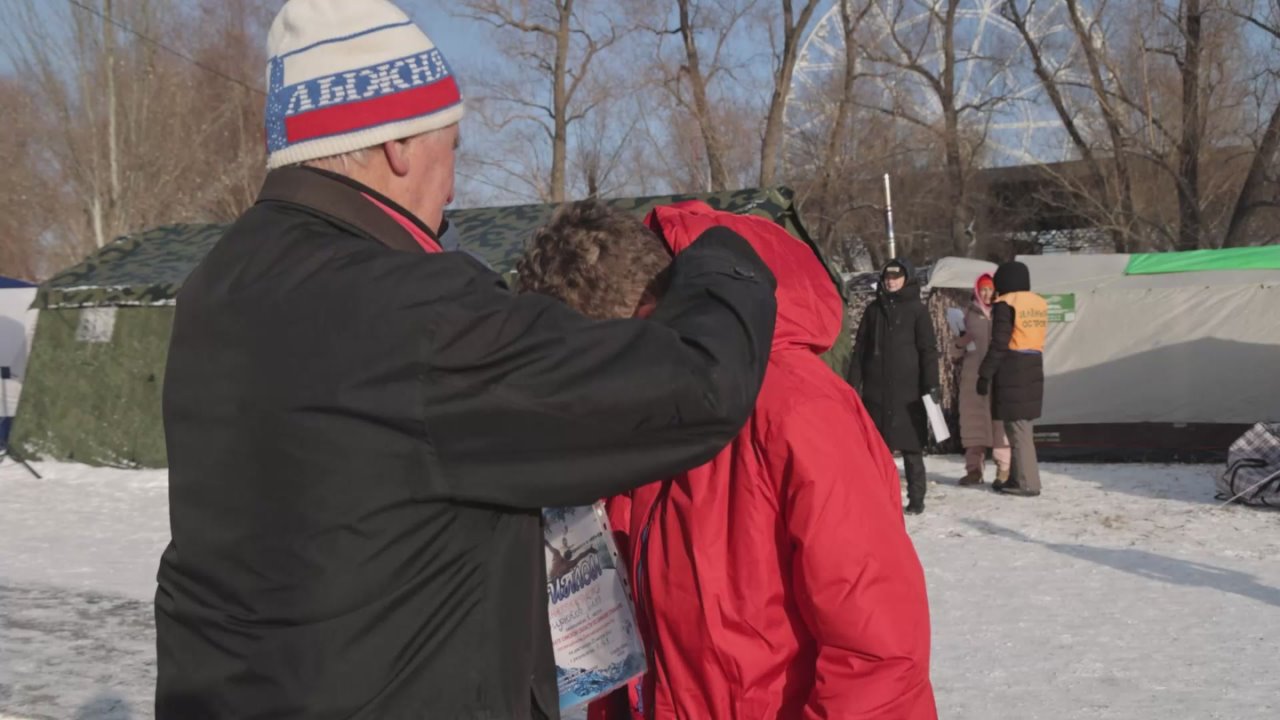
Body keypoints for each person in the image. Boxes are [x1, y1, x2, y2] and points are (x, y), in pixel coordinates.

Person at [154, 2, 779, 718]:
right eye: (452, 148)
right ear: (398, 146)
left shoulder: (219, 286)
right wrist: (731, 254)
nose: (452, 188)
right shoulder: (411, 310)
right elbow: (697, 383)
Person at [518, 200, 936, 720]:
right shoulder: (635, 423)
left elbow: (880, 656)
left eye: (594, 371)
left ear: (641, 323)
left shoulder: (796, 410)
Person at [847, 259, 940, 515]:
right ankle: (880, 498)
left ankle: (916, 498)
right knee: (878, 449)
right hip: (876, 390)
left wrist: (932, 384)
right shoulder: (873, 311)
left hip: (908, 390)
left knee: (911, 448)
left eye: (896, 277)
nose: (891, 281)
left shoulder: (917, 311)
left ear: (905, 279)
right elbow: (860, 351)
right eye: (888, 277)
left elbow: (928, 351)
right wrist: (852, 384)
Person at [978, 260, 1048, 497]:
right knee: (1020, 427)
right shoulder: (1037, 302)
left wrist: (984, 373)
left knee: (1018, 431)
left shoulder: (1005, 304)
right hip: (1033, 365)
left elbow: (999, 343)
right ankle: (1016, 479)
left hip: (1013, 369)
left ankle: (1028, 483)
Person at [951, 273, 1012, 486]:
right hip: (972, 379)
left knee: (1000, 425)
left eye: (990, 289)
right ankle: (974, 470)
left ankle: (1003, 469)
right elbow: (954, 354)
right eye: (983, 289)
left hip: (999, 378)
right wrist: (959, 343)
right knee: (973, 424)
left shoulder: (1003, 312)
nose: (986, 293)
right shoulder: (967, 314)